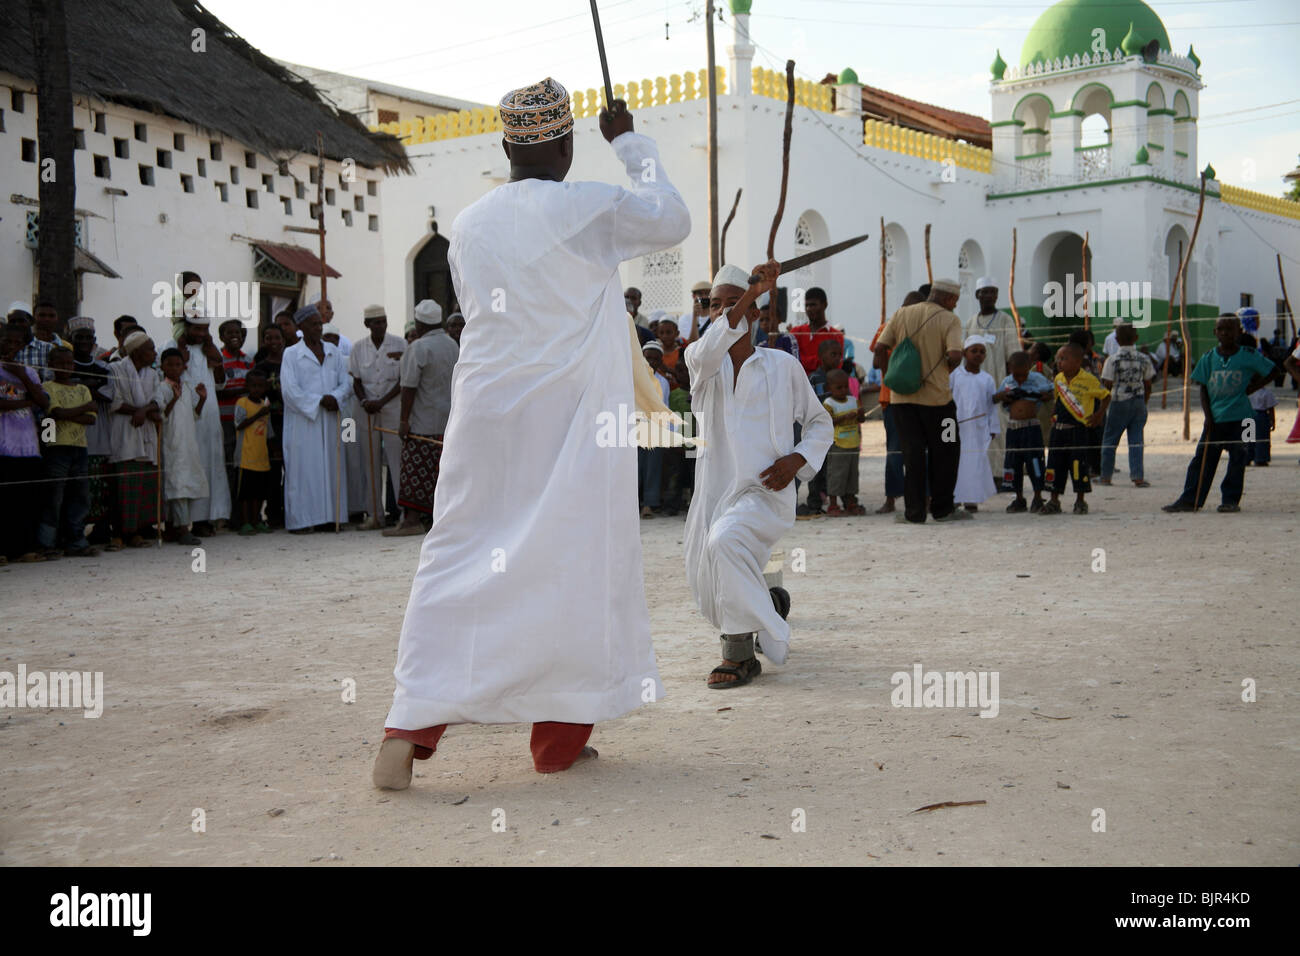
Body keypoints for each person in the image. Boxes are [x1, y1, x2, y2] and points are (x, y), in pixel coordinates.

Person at [373, 83, 690, 788]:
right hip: (572, 418)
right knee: (577, 563)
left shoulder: (471, 223)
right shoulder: (585, 208)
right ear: (565, 144)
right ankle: (556, 741)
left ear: (509, 145)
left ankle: (410, 725)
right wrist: (631, 144)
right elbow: (670, 220)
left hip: (487, 418)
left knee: (459, 553)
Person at [685, 261, 832, 688]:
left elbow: (821, 423)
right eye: (714, 306)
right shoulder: (702, 363)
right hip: (715, 492)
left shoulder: (782, 367)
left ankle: (743, 655)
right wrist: (751, 293)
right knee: (709, 585)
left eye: (732, 305)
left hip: (766, 492)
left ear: (753, 315)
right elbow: (715, 343)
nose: (721, 312)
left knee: (724, 542)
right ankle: (771, 603)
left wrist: (797, 460)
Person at [872, 279, 966, 523]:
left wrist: (888, 378)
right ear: (948, 299)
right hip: (939, 403)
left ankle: (914, 513)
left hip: (901, 402)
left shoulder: (902, 313)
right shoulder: (950, 319)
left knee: (912, 456)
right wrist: (944, 371)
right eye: (955, 301)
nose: (955, 305)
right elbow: (955, 354)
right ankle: (943, 509)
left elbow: (880, 348)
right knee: (947, 451)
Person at [1162, 315, 1276, 513]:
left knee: (1239, 458)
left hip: (1245, 419)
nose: (1225, 333)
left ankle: (1230, 500)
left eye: (1230, 329)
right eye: (1221, 329)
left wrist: (1253, 387)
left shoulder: (1248, 355)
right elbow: (1203, 388)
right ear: (1215, 332)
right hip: (1216, 419)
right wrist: (1208, 417)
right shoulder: (1208, 358)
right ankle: (1191, 499)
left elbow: (1273, 371)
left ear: (1239, 332)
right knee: (1202, 459)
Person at [383, 299, 457, 536]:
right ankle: (440, 520)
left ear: (419, 323)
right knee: (442, 473)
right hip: (448, 421)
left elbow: (408, 388)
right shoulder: (452, 345)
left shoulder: (417, 347)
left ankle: (412, 520)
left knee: (415, 471)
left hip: (422, 424)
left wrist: (403, 421)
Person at [280, 303, 352, 533]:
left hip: (330, 419)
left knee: (332, 467)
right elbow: (290, 391)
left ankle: (332, 517)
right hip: (304, 421)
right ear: (300, 327)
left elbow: (347, 382)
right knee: (304, 469)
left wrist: (335, 397)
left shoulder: (334, 352)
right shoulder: (291, 354)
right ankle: (302, 520)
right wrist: (318, 401)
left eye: (320, 324)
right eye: (313, 324)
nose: (318, 328)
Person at [164, 316, 231, 535]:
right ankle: (179, 523)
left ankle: (204, 520)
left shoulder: (208, 349)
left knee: (209, 465)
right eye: (196, 329)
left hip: (209, 414)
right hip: (182, 417)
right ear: (186, 327)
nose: (201, 334)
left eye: (205, 329)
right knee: (183, 465)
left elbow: (221, 381)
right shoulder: (171, 347)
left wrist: (215, 355)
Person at [36, 347, 97, 558]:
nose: (65, 367)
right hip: (55, 446)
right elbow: (56, 413)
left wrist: (70, 413)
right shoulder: (46, 387)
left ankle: (76, 541)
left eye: (68, 363)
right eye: (59, 363)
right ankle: (47, 544)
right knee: (54, 497)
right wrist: (85, 407)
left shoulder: (82, 389)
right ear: (51, 365)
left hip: (79, 447)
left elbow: (91, 419)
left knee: (79, 496)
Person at [350, 305, 406, 530]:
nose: (381, 325)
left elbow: (404, 380)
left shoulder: (400, 344)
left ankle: (404, 514)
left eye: (383, 321)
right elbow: (356, 380)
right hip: (367, 411)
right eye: (376, 322)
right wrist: (365, 402)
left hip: (392, 409)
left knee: (397, 461)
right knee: (369, 462)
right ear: (367, 325)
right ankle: (375, 515)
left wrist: (381, 402)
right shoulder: (358, 348)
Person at [867, 290, 924, 514]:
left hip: (909, 397)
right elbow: (875, 358)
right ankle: (893, 498)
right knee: (897, 449)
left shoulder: (919, 328)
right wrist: (891, 375)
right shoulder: (889, 326)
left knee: (909, 449)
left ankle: (912, 498)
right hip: (895, 397)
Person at [1, 323, 51, 563]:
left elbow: (43, 401)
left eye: (16, 343)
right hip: (3, 444)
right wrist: (25, 402)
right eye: (6, 342)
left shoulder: (29, 372)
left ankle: (22, 548)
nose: (10, 347)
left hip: (27, 446)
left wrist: (21, 375)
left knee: (25, 499)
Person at [106, 331, 162, 548]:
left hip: (145, 431)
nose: (154, 353)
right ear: (137, 352)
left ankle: (136, 532)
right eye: (150, 348)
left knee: (142, 486)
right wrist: (140, 412)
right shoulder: (115, 369)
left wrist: (144, 410)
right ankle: (118, 534)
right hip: (124, 432)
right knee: (122, 487)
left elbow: (158, 399)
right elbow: (115, 402)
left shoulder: (152, 374)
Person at [1041, 343, 1108, 515]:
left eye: (1064, 358)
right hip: (1059, 430)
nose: (1059, 362)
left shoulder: (1090, 380)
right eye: (1058, 359)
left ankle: (1080, 501)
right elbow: (1058, 400)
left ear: (1078, 361)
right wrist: (1054, 416)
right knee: (1054, 464)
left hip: (1078, 429)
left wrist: (1099, 415)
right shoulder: (1058, 379)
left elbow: (1106, 396)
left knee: (1079, 464)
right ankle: (1054, 500)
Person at [67, 317, 116, 548]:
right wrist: (91, 388)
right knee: (72, 489)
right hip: (68, 435)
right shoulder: (64, 364)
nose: (85, 341)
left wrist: (80, 387)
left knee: (100, 490)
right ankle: (72, 534)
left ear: (94, 341)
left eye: (89, 338)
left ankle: (99, 532)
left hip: (99, 435)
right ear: (71, 340)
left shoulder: (104, 367)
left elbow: (108, 395)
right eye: (80, 337)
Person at [965, 278, 1018, 486]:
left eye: (992, 292)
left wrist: (1012, 386)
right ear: (977, 295)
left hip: (998, 386)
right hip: (974, 388)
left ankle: (999, 476)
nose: (988, 296)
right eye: (984, 292)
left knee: (999, 432)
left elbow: (1013, 354)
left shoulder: (1005, 320)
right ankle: (980, 476)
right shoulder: (970, 323)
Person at [153, 347, 208, 546]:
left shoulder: (186, 386)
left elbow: (194, 415)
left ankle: (174, 528)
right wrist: (174, 399)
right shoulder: (162, 388)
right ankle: (182, 529)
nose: (175, 368)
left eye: (178, 364)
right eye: (170, 365)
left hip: (188, 444)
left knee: (185, 483)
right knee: (176, 486)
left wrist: (202, 399)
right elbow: (160, 416)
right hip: (171, 443)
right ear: (162, 366)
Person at [996, 351, 1053, 513]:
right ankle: (1019, 497)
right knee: (1014, 462)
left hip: (1031, 427)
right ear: (1009, 368)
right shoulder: (1007, 381)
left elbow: (1052, 392)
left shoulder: (1037, 379)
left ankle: (1037, 496)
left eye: (1023, 375)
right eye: (1016, 375)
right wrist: (1004, 396)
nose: (1020, 379)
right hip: (1013, 427)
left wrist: (1042, 396)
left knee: (1034, 460)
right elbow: (996, 398)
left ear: (1029, 367)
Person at [1099, 322, 1154, 487]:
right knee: (1136, 440)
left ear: (1116, 339)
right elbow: (1149, 384)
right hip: (1138, 401)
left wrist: (1103, 407)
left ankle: (1106, 476)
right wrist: (1144, 401)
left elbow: (1107, 384)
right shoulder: (1143, 358)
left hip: (1118, 401)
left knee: (1110, 440)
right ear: (1136, 338)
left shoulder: (1112, 360)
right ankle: (1138, 477)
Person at [950, 334, 999, 511]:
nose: (978, 355)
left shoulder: (987, 379)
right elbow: (946, 401)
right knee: (954, 462)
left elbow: (991, 405)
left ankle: (971, 500)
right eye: (974, 351)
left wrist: (993, 428)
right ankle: (954, 498)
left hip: (978, 430)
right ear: (964, 353)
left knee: (975, 463)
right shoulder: (955, 375)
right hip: (955, 427)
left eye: (982, 352)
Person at [252, 325, 287, 528]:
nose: (273, 342)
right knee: (273, 471)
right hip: (270, 423)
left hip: (291, 421)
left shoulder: (291, 363)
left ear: (283, 339)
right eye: (268, 338)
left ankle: (291, 511)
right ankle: (273, 514)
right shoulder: (260, 368)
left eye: (277, 337)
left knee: (291, 470)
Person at [233, 368, 274, 534]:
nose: (256, 389)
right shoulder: (242, 403)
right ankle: (245, 522)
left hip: (261, 457)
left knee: (258, 493)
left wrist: (273, 450)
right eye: (253, 386)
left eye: (260, 386)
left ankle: (256, 519)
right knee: (245, 494)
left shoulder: (265, 405)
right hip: (245, 456)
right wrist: (258, 414)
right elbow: (239, 424)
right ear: (247, 386)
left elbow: (268, 433)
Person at [636, 340, 671, 518]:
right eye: (647, 358)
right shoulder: (632, 378)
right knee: (635, 468)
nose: (650, 362)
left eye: (655, 359)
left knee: (652, 469)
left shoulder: (663, 382)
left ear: (660, 361)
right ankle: (633, 504)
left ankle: (649, 504)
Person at [217, 318, 251, 500]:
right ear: (222, 337)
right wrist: (242, 390)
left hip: (246, 422)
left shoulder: (248, 360)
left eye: (237, 332)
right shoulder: (218, 360)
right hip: (226, 421)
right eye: (230, 333)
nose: (235, 336)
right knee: (229, 465)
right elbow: (217, 392)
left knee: (243, 466)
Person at [822, 369, 863, 516]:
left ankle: (851, 502)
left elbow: (861, 420)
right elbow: (827, 422)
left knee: (852, 475)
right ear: (829, 388)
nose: (843, 390)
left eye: (845, 386)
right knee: (836, 475)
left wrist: (861, 414)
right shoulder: (829, 403)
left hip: (853, 444)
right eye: (838, 388)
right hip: (838, 445)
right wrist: (845, 417)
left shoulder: (853, 400)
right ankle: (833, 505)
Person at [788, 287, 846, 375]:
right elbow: (789, 361)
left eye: (813, 305)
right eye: (806, 305)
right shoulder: (796, 331)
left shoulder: (836, 335)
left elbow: (836, 364)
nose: (809, 309)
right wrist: (819, 361)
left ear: (825, 304)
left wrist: (800, 360)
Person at [662, 362, 694, 516]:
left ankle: (694, 506)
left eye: (688, 371)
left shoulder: (699, 393)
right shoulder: (674, 395)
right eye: (680, 371)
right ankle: (672, 505)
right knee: (676, 475)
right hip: (678, 442)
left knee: (695, 475)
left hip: (695, 442)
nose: (684, 375)